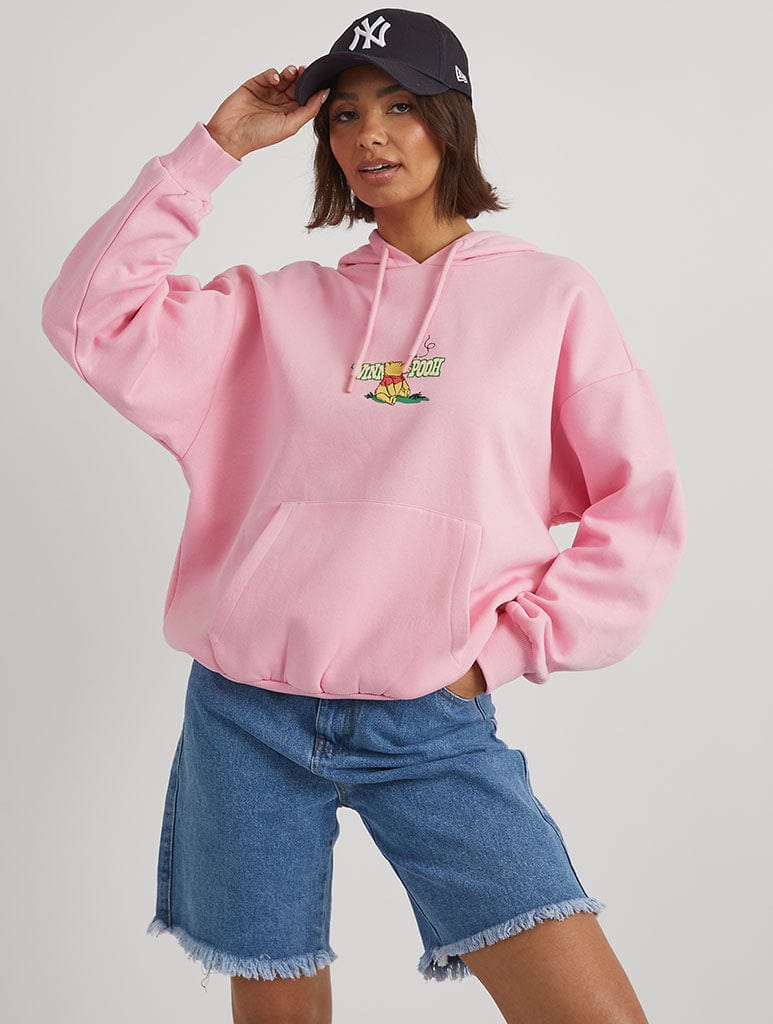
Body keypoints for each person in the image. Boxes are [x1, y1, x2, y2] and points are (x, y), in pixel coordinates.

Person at [40, 8, 686, 1023]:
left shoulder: (549, 298)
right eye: (343, 114)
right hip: (245, 716)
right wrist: (214, 149)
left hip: (429, 715)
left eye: (397, 106)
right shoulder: (275, 309)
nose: (368, 135)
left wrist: (505, 651)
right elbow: (88, 316)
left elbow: (637, 503)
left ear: (449, 120)